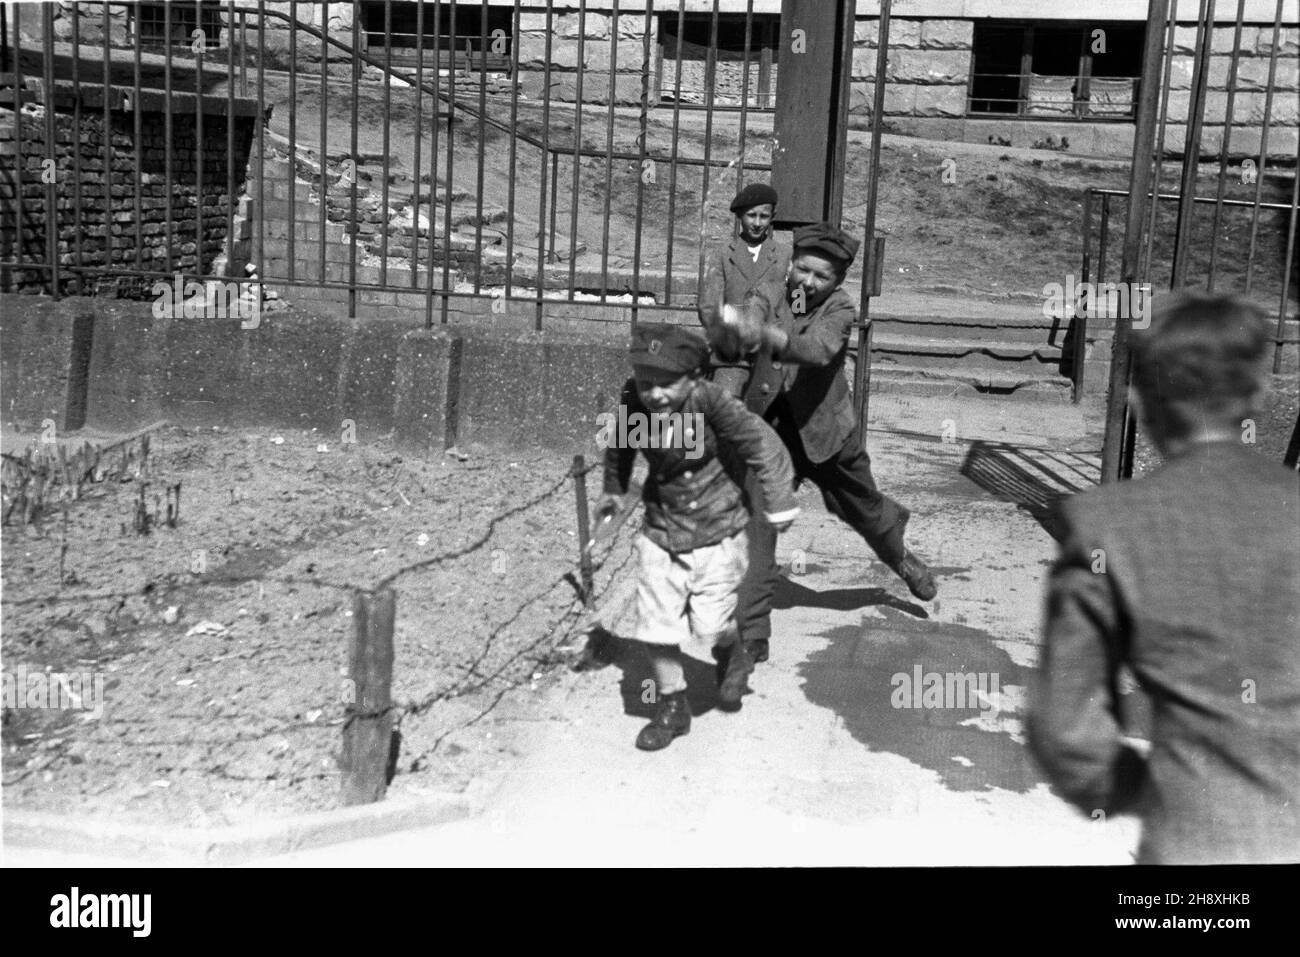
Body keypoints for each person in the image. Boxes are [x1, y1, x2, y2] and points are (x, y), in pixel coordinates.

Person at [1027, 291, 1300, 864]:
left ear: (1139, 402)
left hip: (1197, 850)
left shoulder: (1107, 526)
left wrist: (1149, 789)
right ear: (1259, 395)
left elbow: (1067, 731)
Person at [734, 222, 938, 663]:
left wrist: (771, 338)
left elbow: (819, 350)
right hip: (771, 432)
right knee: (761, 523)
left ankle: (900, 558)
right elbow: (752, 307)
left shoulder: (841, 310)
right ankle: (753, 632)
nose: (808, 281)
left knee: (864, 508)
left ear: (837, 282)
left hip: (826, 432)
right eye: (803, 270)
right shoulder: (769, 289)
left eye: (821, 277)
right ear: (791, 265)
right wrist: (747, 326)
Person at [595, 324, 800, 751]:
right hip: (661, 531)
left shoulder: (713, 402)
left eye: (666, 384)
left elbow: (761, 446)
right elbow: (621, 449)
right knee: (656, 626)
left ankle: (732, 650)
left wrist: (779, 501)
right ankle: (672, 706)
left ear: (693, 378)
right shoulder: (636, 402)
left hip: (718, 530)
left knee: (710, 626)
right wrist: (614, 493)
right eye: (645, 381)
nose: (654, 393)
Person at [698, 183, 791, 398]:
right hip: (733, 356)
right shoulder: (722, 255)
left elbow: (799, 302)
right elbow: (708, 307)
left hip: (772, 355)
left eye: (764, 216)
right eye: (751, 215)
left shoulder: (786, 255)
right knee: (725, 407)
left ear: (772, 216)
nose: (757, 223)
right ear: (740, 216)